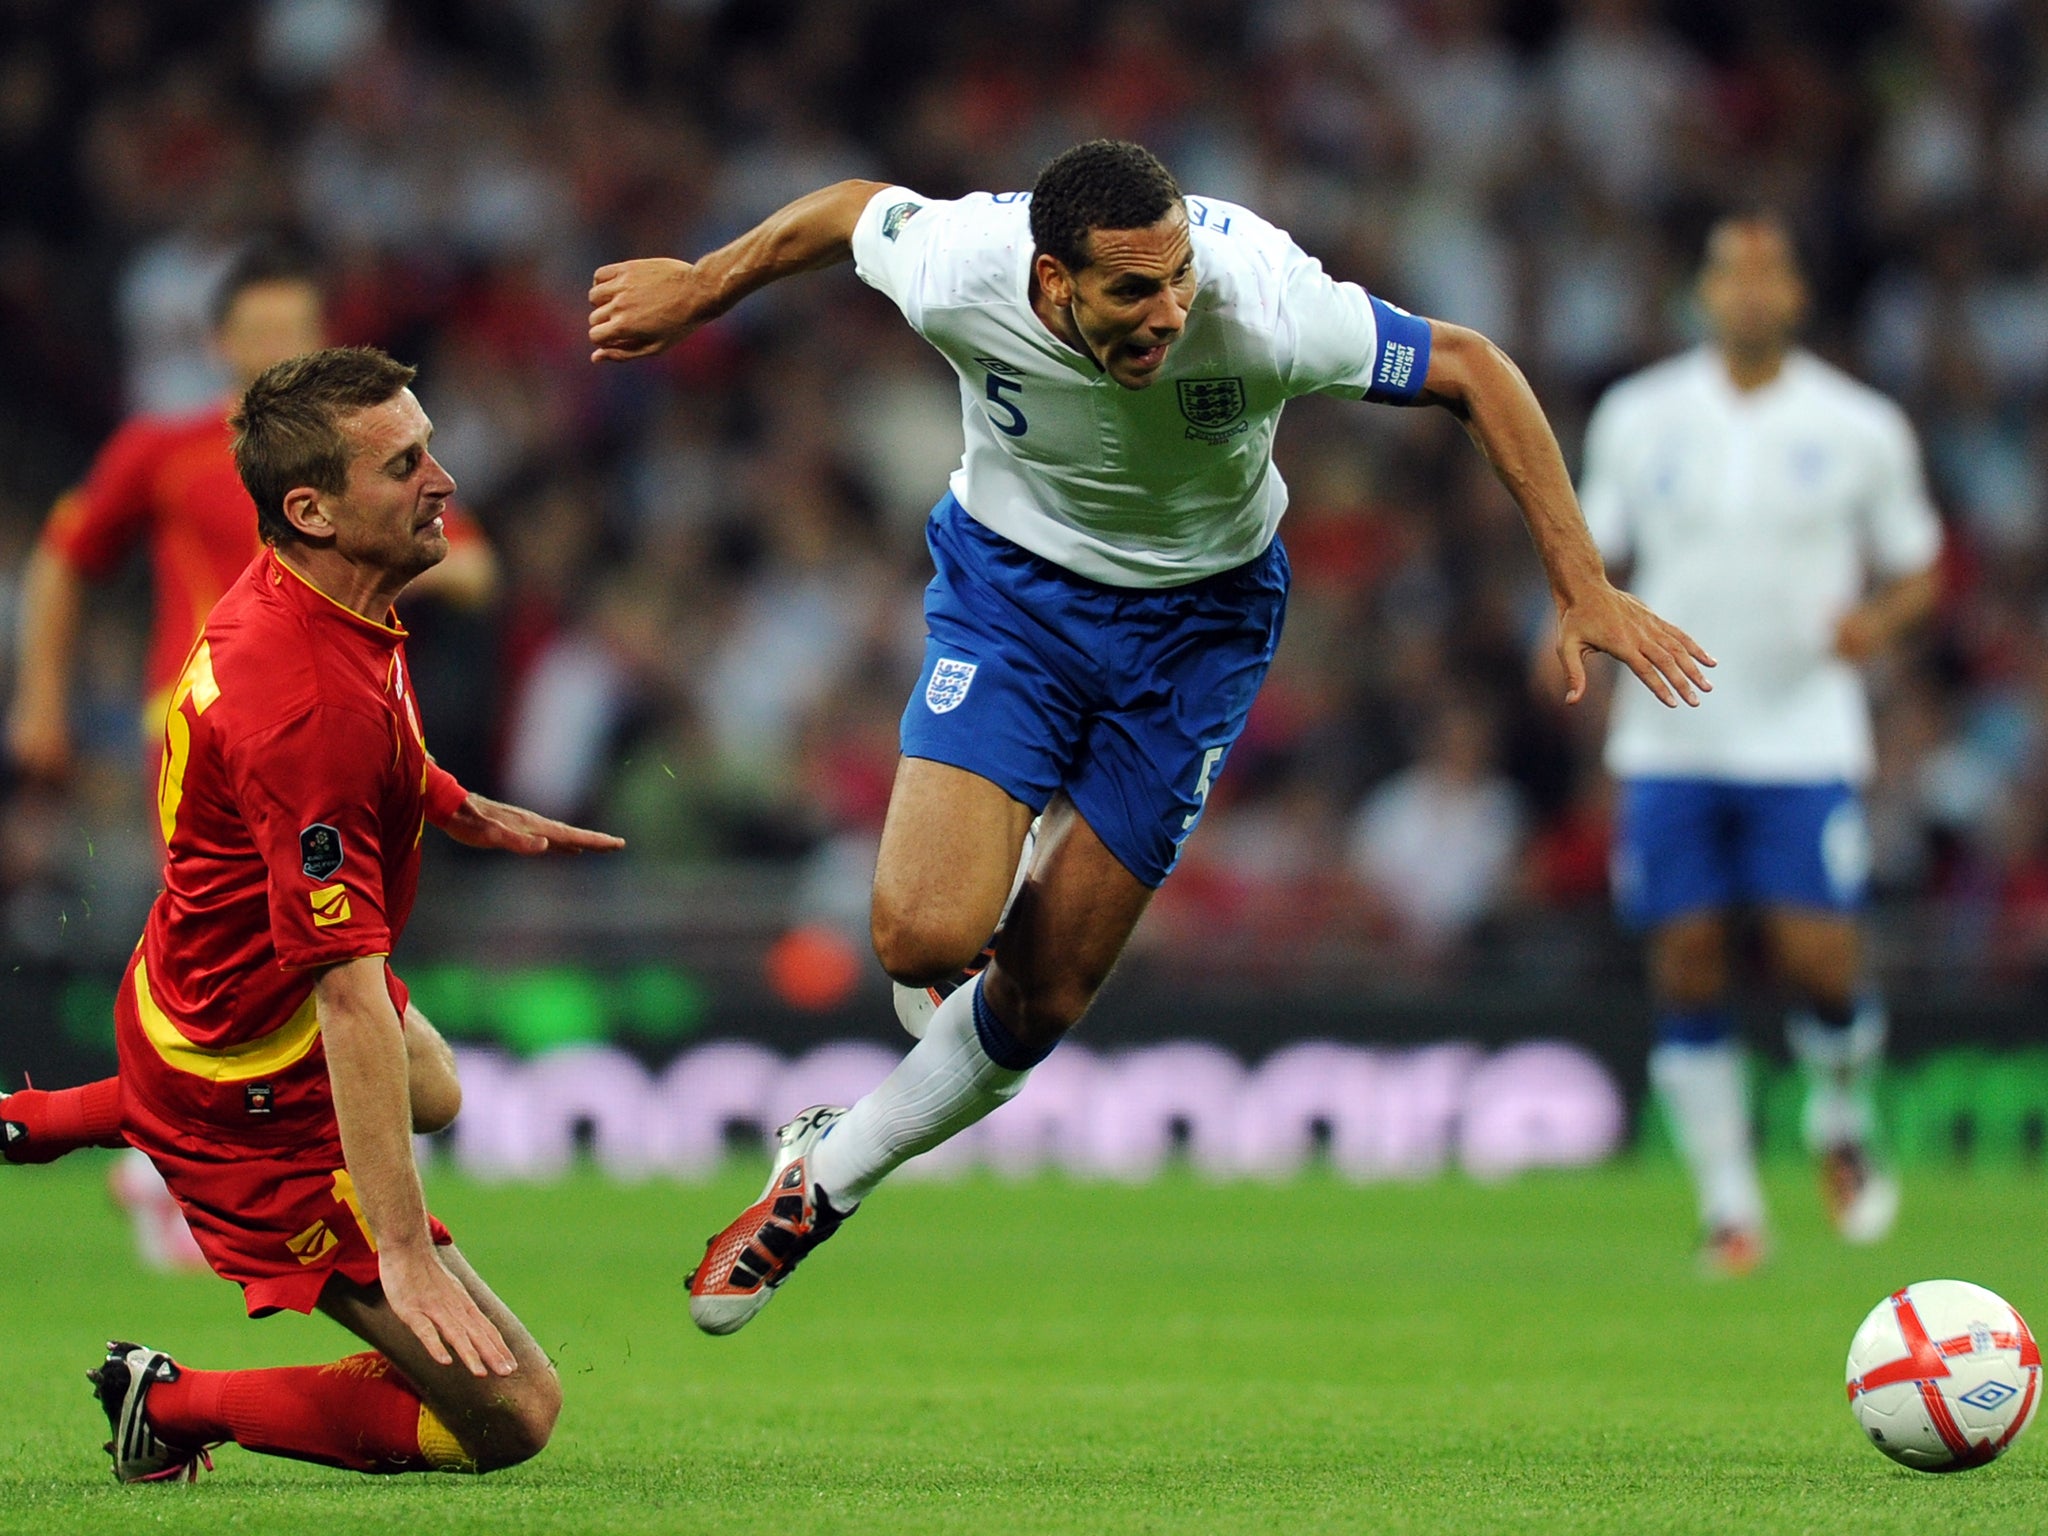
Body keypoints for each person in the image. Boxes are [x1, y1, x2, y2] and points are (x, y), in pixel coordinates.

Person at [588, 139, 1714, 1335]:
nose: (1168, 311)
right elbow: (853, 212)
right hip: (1014, 598)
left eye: (1176, 278)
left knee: (1043, 999)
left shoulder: (1267, 303)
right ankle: (956, 946)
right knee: (920, 933)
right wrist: (706, 286)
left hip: (1198, 630)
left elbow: (1472, 369)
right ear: (1052, 281)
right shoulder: (960, 265)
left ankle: (829, 1175)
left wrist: (1578, 582)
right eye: (1132, 290)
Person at [60, 345, 621, 1483]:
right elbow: (349, 997)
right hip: (247, 1088)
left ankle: (114, 1108)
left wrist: (458, 807)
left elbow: (376, 752)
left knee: (441, 1092)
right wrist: (403, 1255)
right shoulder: (301, 698)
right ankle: (166, 1403)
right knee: (512, 1415)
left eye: (430, 445)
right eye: (405, 462)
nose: (444, 480)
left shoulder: (325, 600)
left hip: (207, 993)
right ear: (311, 508)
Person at [0, 245, 497, 1260]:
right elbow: (63, 556)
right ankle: (207, 1165)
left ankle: (138, 1141)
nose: (275, 348)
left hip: (338, 737)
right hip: (206, 745)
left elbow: (479, 571)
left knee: (319, 964)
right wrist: (41, 698)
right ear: (220, 343)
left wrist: (385, 570)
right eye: (258, 333)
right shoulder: (166, 450)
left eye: (293, 331)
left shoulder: (360, 469)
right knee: (253, 960)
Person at [1577, 213, 1941, 1274]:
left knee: (1816, 955)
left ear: (1793, 296)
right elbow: (1588, 550)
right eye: (1727, 274)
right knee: (1684, 957)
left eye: (1765, 274)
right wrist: (1582, 612)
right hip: (1666, 734)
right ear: (1702, 292)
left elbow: (1918, 562)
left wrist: (1872, 625)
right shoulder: (1639, 415)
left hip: (1800, 732)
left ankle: (1837, 1117)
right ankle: (1730, 1207)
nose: (1745, 292)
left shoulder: (1857, 423)